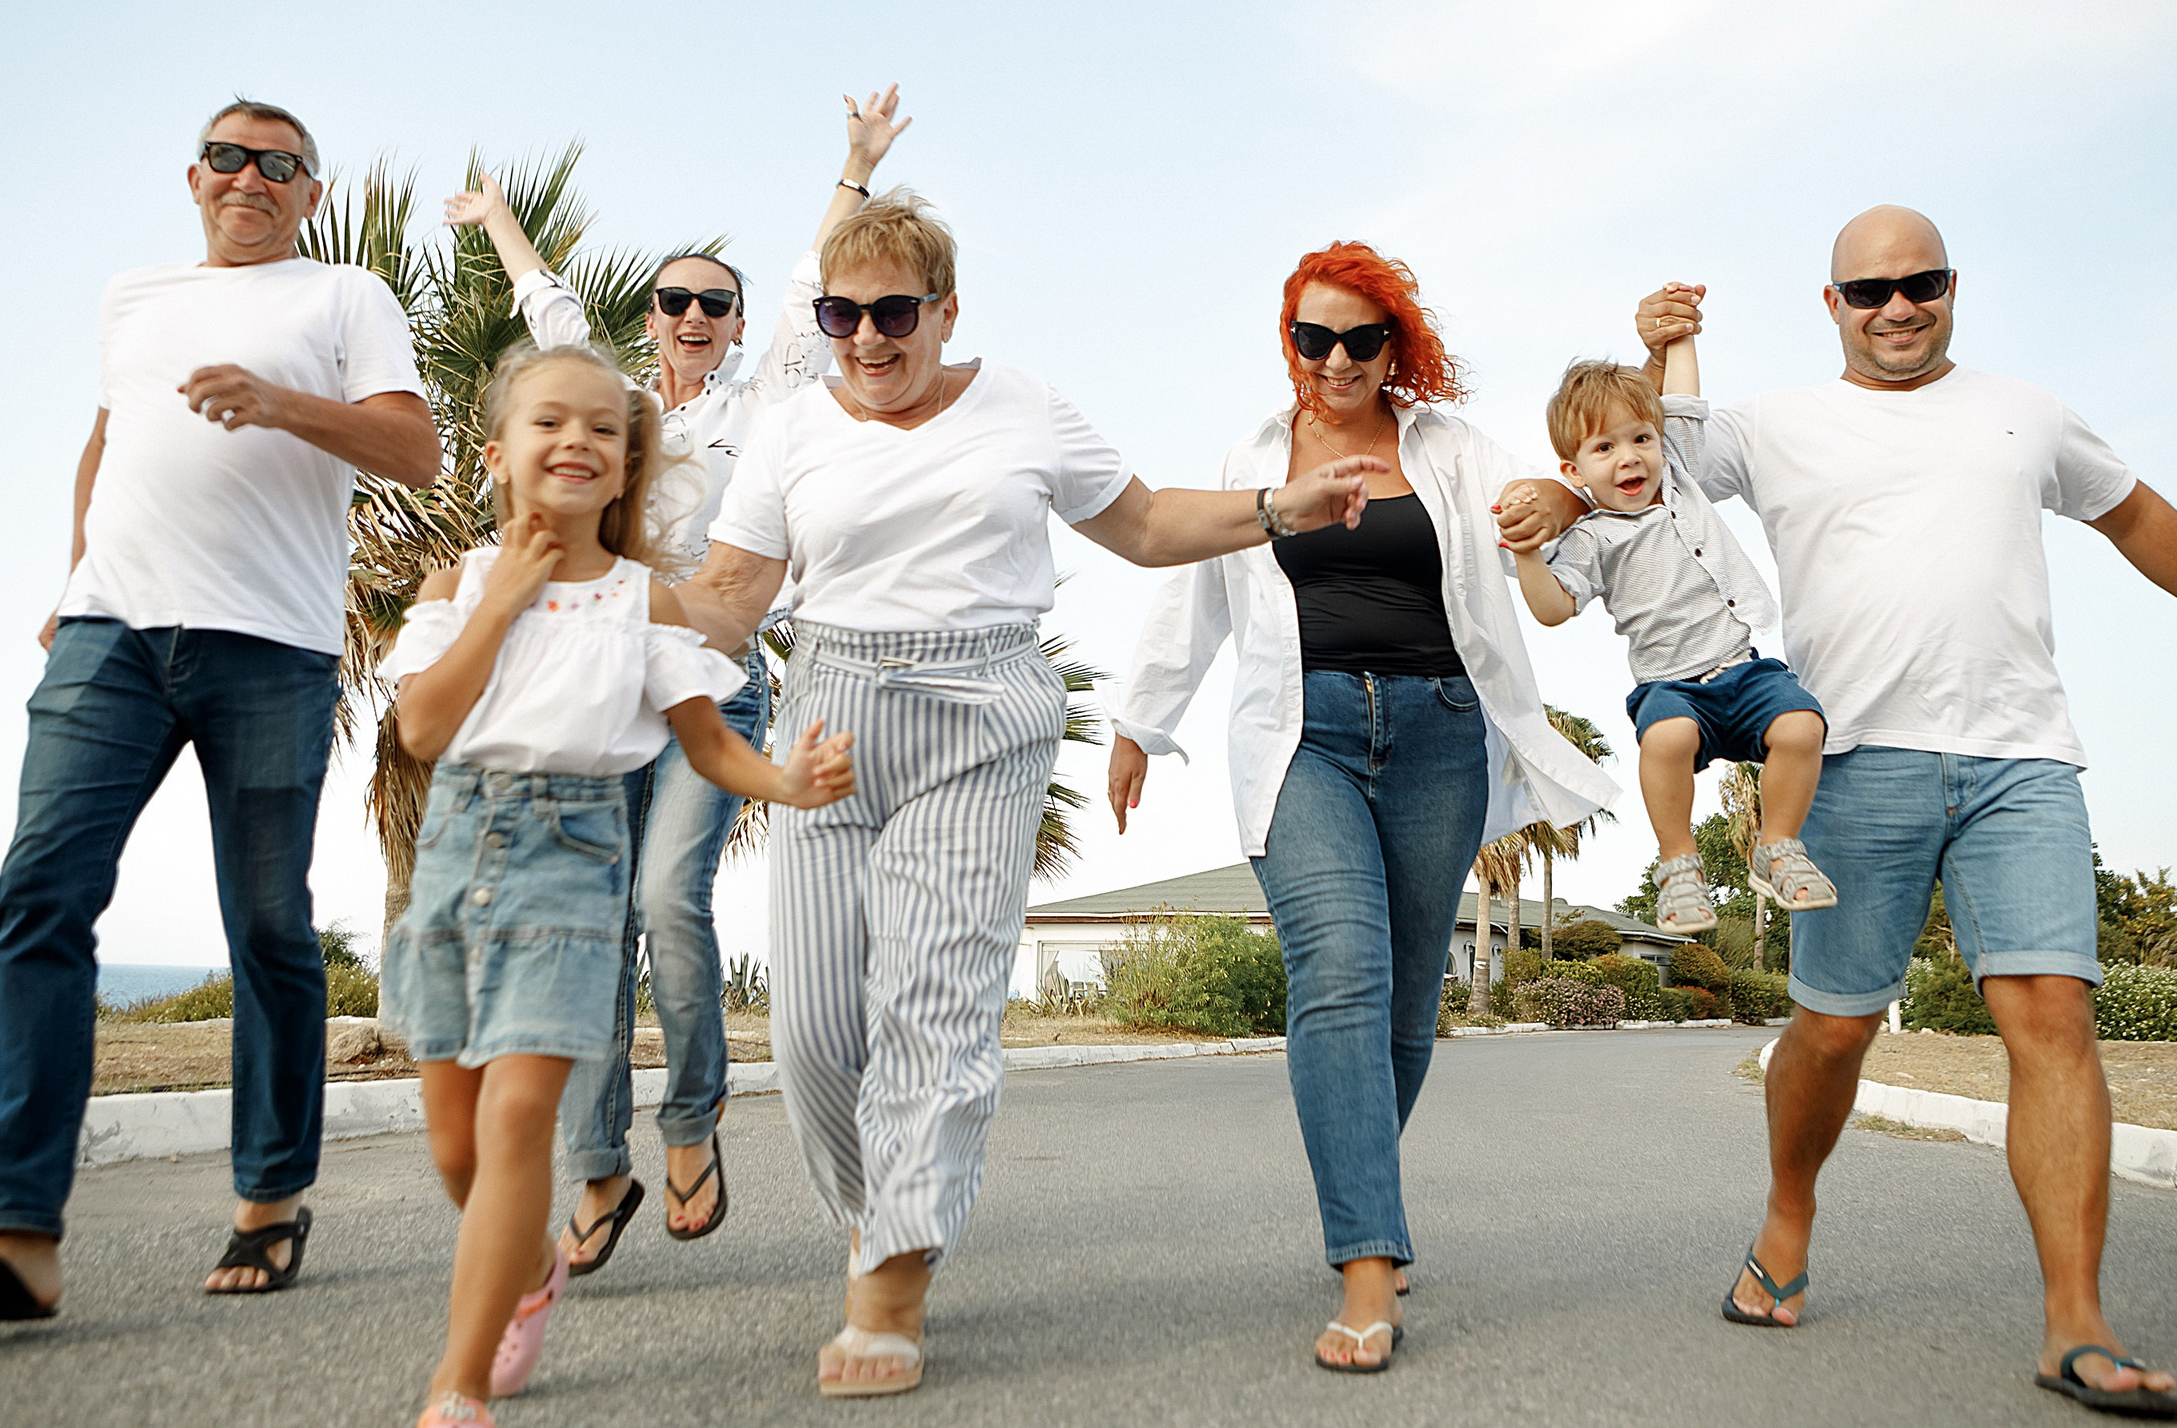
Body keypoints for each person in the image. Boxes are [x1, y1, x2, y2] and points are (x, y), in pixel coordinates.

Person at [672, 192, 1391, 1397]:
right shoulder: (794, 427)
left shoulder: (1022, 404)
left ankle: (893, 1274)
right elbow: (731, 595)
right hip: (831, 715)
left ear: (945, 309)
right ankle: (882, 1210)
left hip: (981, 708)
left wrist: (1277, 508)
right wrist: (583, 586)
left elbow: (1150, 522)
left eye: (893, 310)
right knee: (809, 1036)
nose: (865, 337)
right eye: (841, 313)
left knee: (933, 1004)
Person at [1635, 206, 2177, 1419]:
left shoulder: (2027, 411)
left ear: (1953, 285)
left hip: (2021, 760)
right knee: (1834, 1030)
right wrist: (1656, 345)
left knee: (2050, 1014)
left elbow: (2135, 514)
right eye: (1869, 290)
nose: (1898, 306)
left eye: (1922, 281)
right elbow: (1651, 451)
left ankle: (2074, 1324)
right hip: (1854, 761)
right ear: (1830, 303)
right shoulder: (1777, 422)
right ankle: (1789, 1209)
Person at [0, 102, 441, 1323]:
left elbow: (415, 447)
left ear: (309, 192)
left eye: (279, 164)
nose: (251, 177)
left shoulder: (344, 296)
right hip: (110, 632)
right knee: (41, 894)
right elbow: (107, 439)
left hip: (270, 647)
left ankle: (271, 1194)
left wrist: (283, 403)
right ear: (194, 176)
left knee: (269, 929)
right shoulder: (134, 293)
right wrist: (72, 572)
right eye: (229, 156)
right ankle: (16, 1232)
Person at [1108, 243, 1617, 1374]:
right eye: (1311, 337)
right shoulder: (1254, 453)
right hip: (1303, 736)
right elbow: (1190, 582)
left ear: (1395, 344)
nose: (1334, 360)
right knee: (1337, 971)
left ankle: (1359, 1189)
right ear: (1285, 338)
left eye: (1359, 338)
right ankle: (1367, 1263)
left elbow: (1559, 493)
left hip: (1441, 731)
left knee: (1399, 1010)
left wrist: (1565, 490)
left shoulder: (1444, 445)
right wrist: (1141, 721)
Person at [442, 86, 910, 1272]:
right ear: (649, 319)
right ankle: (598, 1171)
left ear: (740, 322)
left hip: (715, 679)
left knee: (663, 900)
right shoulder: (618, 402)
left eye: (716, 301)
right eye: (675, 299)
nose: (694, 314)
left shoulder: (772, 397)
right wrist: (499, 221)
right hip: (600, 686)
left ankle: (693, 1119)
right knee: (594, 928)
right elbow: (547, 307)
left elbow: (815, 278)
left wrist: (852, 165)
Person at [383, 343, 855, 1427]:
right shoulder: (457, 582)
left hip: (572, 860)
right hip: (456, 861)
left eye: (603, 427)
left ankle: (455, 1387)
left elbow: (707, 740)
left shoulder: (648, 601)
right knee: (455, 1143)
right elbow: (422, 725)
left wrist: (787, 778)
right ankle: (530, 1265)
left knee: (513, 1124)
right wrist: (502, 597)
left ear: (627, 460)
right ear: (498, 454)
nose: (578, 441)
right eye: (551, 421)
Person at [1510, 325, 1834, 934]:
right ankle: (1679, 864)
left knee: (1801, 725)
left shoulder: (1681, 475)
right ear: (1573, 469)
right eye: (1604, 449)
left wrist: (1681, 332)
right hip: (1671, 685)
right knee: (1668, 738)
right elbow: (1553, 609)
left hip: (1743, 666)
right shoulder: (1591, 537)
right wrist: (1528, 557)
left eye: (1641, 438)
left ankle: (1779, 844)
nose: (1630, 456)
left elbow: (1683, 397)